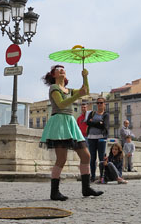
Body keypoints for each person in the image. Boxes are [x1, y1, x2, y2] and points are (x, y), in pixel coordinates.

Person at [40, 65, 103, 201]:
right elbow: (61, 104)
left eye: (63, 68)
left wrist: (85, 76)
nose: (62, 69)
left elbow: (85, 91)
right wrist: (76, 96)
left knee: (86, 155)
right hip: (59, 123)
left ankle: (86, 188)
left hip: (70, 122)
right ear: (54, 75)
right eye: (58, 69)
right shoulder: (54, 88)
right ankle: (54, 192)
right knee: (61, 159)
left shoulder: (69, 90)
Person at [86, 97, 109, 182]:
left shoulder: (105, 115)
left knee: (101, 158)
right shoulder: (92, 113)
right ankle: (92, 176)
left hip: (101, 138)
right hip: (91, 137)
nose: (99, 104)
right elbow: (88, 122)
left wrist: (93, 123)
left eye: (101, 103)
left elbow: (104, 126)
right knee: (92, 158)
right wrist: (98, 123)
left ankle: (102, 176)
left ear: (104, 104)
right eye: (98, 103)